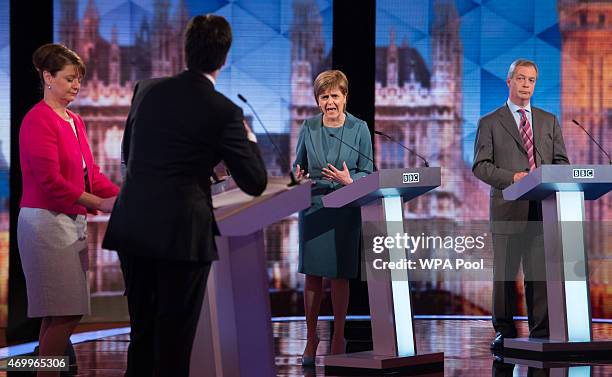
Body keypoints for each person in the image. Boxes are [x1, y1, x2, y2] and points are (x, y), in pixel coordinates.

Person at [102, 14, 267, 377]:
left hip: (132, 228)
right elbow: (255, 181)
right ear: (224, 59)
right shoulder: (225, 111)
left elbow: (130, 152)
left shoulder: (147, 91)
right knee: (174, 345)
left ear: (185, 49)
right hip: (181, 235)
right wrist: (249, 138)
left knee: (143, 335)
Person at [18, 43, 119, 377]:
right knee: (66, 313)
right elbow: (51, 182)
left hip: (70, 222)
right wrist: (98, 203)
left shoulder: (75, 121)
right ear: (48, 77)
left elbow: (93, 177)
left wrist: (124, 197)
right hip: (45, 224)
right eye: (69, 78)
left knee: (57, 313)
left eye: (79, 79)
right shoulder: (38, 119)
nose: (76, 85)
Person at [472, 59, 570, 352]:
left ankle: (541, 333)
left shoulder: (548, 120)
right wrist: (513, 177)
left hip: (542, 211)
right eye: (521, 79)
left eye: (532, 80)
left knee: (539, 276)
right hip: (507, 211)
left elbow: (562, 163)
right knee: (504, 277)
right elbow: (481, 166)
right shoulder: (490, 122)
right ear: (509, 81)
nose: (527, 85)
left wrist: (551, 176)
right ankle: (504, 332)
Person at [293, 70, 373, 365]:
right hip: (314, 205)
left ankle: (339, 335)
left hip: (345, 205)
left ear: (345, 97)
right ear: (318, 100)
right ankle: (311, 337)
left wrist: (350, 180)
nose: (330, 102)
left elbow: (368, 169)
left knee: (340, 275)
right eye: (324, 96)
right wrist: (296, 175)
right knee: (313, 275)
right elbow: (297, 165)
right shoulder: (309, 127)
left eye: (335, 96)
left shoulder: (359, 128)